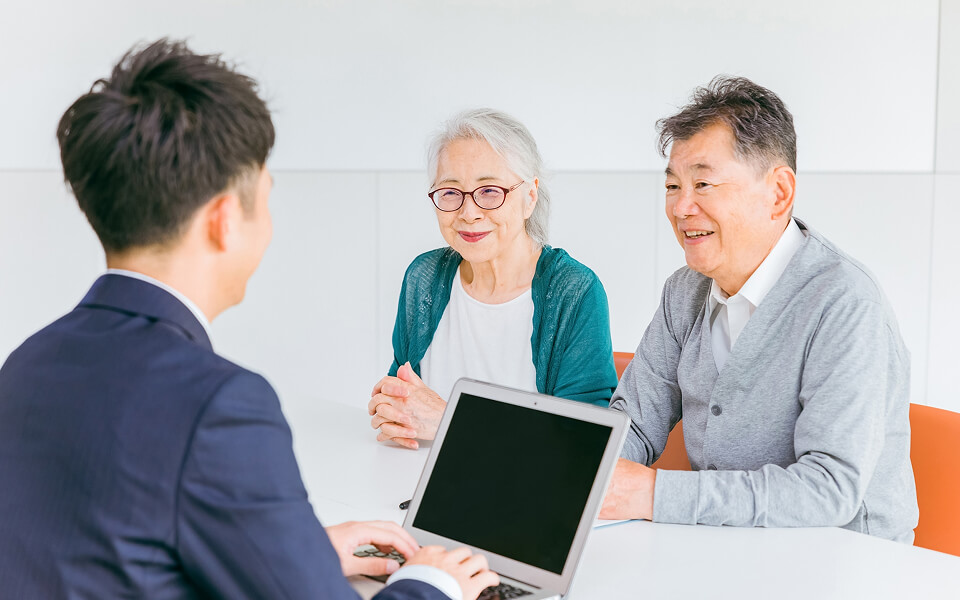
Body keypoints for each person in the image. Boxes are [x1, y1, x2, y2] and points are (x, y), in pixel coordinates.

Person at [0, 39, 497, 600]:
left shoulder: (27, 364)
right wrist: (434, 581)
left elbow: (112, 551)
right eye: (265, 198)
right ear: (224, 220)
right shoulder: (219, 405)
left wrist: (296, 553)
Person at [600, 76, 919, 543]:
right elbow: (633, 426)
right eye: (673, 185)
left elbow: (828, 490)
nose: (681, 207)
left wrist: (652, 493)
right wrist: (583, 472)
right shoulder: (684, 292)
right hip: (729, 551)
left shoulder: (845, 303)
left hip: (845, 565)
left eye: (703, 183)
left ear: (778, 194)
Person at [369, 109, 618, 449]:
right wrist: (392, 408)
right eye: (451, 192)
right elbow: (403, 396)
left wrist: (451, 422)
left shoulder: (573, 291)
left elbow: (582, 446)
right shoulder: (423, 278)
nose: (468, 213)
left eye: (489, 191)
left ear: (529, 197)